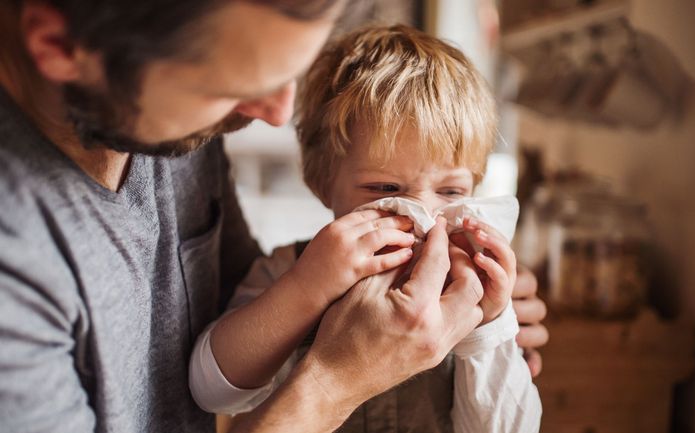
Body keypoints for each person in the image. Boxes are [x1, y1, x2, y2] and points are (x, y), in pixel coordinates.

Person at [0, 1, 547, 433]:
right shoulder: (17, 270)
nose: (277, 115)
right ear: (60, 47)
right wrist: (337, 374)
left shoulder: (174, 125)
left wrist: (492, 327)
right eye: (230, 85)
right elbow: (214, 380)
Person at [189, 25, 541, 433]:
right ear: (322, 183)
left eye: (451, 190)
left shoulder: (471, 290)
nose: (422, 215)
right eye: (386, 189)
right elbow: (211, 392)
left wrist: (491, 325)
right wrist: (307, 288)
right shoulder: (288, 270)